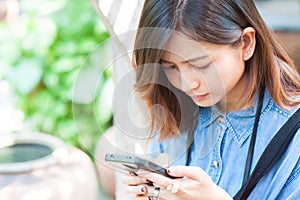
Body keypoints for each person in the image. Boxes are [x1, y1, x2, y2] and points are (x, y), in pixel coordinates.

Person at [121, 0, 300, 199]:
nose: (188, 83)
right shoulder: (175, 109)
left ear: (246, 43)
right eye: (171, 67)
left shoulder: (293, 136)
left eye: (201, 64)